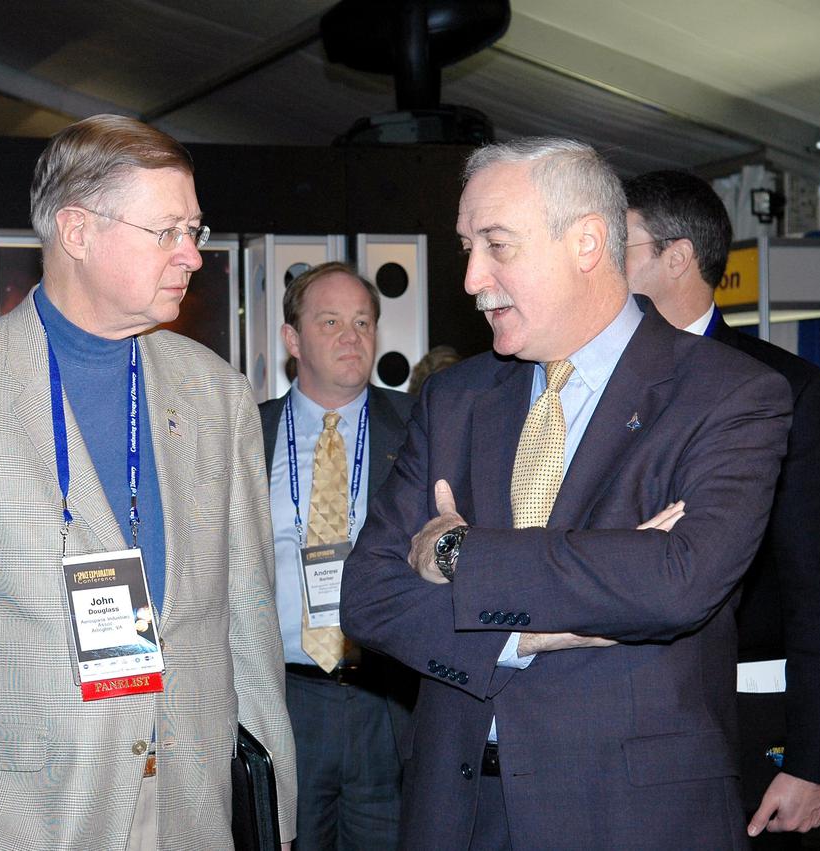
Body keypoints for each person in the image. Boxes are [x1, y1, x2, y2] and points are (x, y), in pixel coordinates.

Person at [0, 115, 296, 851]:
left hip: (194, 813)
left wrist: (274, 803)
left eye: (195, 230)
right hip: (21, 822)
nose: (192, 256)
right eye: (167, 230)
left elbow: (246, 620)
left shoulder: (218, 395)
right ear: (77, 231)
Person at [340, 138, 794, 850]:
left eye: (496, 245)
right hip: (455, 813)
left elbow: (678, 581)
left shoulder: (729, 392)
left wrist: (459, 551)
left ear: (586, 241)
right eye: (467, 246)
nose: (470, 279)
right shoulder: (454, 399)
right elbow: (368, 594)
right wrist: (525, 635)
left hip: (629, 818)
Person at [624, 169, 820, 843]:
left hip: (740, 726)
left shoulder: (787, 389)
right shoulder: (585, 386)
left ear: (676, 259)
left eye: (620, 245)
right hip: (611, 730)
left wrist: (816, 763)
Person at [258, 262, 415, 849]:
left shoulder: (420, 425)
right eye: (330, 322)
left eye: (363, 321)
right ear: (292, 340)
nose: (352, 337)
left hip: (388, 701)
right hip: (285, 701)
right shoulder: (248, 434)